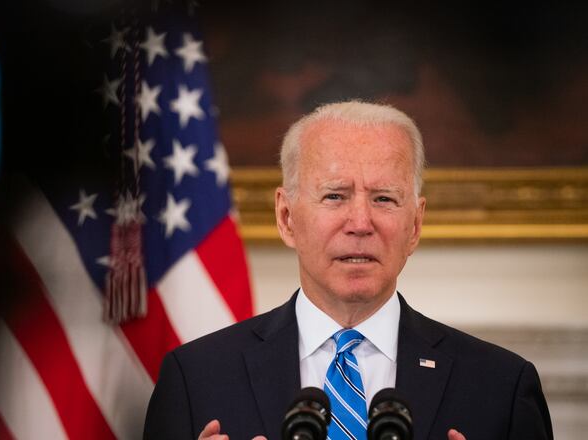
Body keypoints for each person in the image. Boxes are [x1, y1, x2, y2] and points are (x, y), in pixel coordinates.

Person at [143, 101, 553, 440]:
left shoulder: (501, 387)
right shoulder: (195, 379)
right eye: (335, 196)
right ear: (287, 218)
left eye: (384, 199)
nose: (360, 222)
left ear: (415, 225)